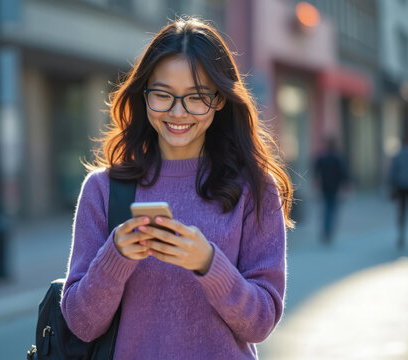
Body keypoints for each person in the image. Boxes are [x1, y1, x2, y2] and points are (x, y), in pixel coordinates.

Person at [61, 17, 294, 359]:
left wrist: (208, 263)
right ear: (143, 96)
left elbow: (260, 323)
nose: (178, 111)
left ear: (220, 99)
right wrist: (116, 256)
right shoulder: (103, 189)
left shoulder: (255, 188)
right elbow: (81, 325)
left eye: (197, 97)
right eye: (163, 95)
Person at [313, 137, 349, 245]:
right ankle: (328, 231)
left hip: (325, 186)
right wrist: (345, 184)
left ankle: (326, 230)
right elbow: (343, 173)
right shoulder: (337, 158)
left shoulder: (322, 158)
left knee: (326, 208)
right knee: (331, 209)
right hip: (334, 187)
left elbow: (316, 171)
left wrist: (316, 182)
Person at [389, 135, 408, 250]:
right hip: (402, 185)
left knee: (401, 211)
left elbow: (392, 173)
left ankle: (401, 234)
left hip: (400, 186)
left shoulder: (398, 155)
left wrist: (391, 187)